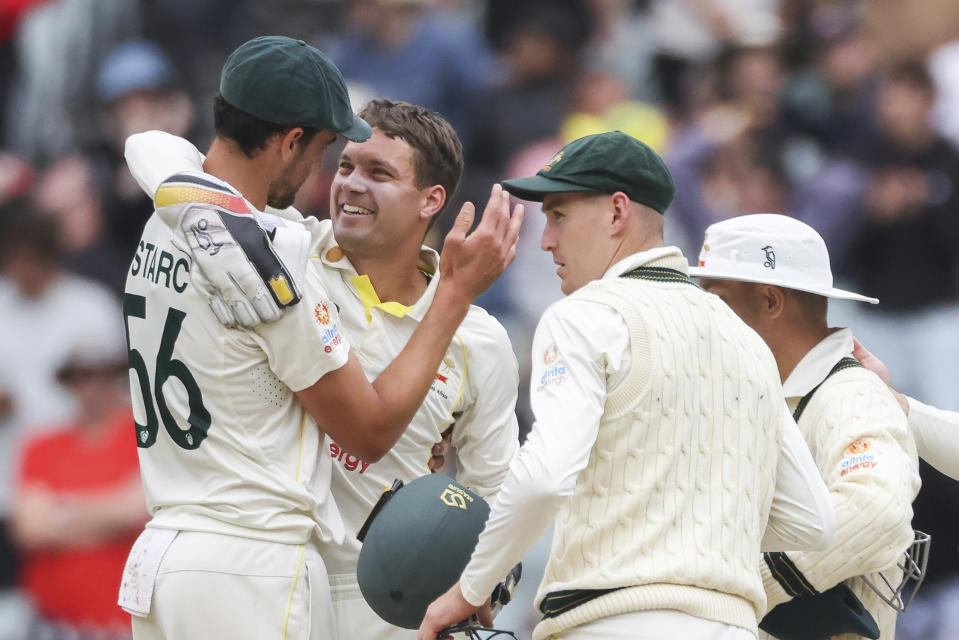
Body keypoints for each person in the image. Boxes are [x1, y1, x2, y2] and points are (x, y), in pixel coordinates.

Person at [118, 36, 522, 640]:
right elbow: (370, 430)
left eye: (377, 172)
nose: (340, 180)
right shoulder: (281, 258)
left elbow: (149, 147)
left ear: (430, 201)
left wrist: (484, 582)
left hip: (188, 556)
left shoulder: (177, 219)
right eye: (336, 157)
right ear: (290, 141)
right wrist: (458, 294)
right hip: (257, 562)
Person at [419, 131, 834, 640]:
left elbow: (547, 476)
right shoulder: (746, 340)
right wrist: (687, 518)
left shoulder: (584, 315)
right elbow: (812, 521)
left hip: (613, 622)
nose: (546, 240)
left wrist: (469, 588)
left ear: (617, 212)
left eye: (558, 215)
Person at [691, 213, 921, 639]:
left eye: (715, 300)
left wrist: (733, 588)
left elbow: (876, 513)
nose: (704, 318)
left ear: (771, 301)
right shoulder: (759, 392)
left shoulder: (849, 394)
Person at [11, 334, 146, 640]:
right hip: (53, 623)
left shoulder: (143, 438)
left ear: (116, 376)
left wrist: (64, 507)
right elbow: (31, 528)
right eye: (79, 376)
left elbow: (139, 510)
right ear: (67, 382)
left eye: (100, 374)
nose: (90, 387)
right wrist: (109, 515)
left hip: (129, 623)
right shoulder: (41, 444)